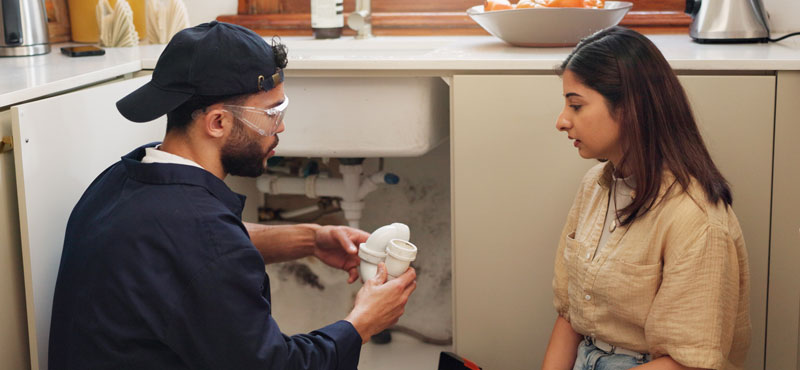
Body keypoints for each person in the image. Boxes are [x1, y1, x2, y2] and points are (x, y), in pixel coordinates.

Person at [48, 21, 417, 370]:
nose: (281, 127)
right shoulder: (201, 236)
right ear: (218, 122)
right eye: (272, 113)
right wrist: (362, 324)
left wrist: (311, 239)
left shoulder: (119, 182)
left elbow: (193, 249)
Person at [541, 26, 751, 370]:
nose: (561, 121)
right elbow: (569, 316)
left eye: (576, 105)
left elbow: (690, 362)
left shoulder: (696, 220)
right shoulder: (594, 187)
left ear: (630, 109)